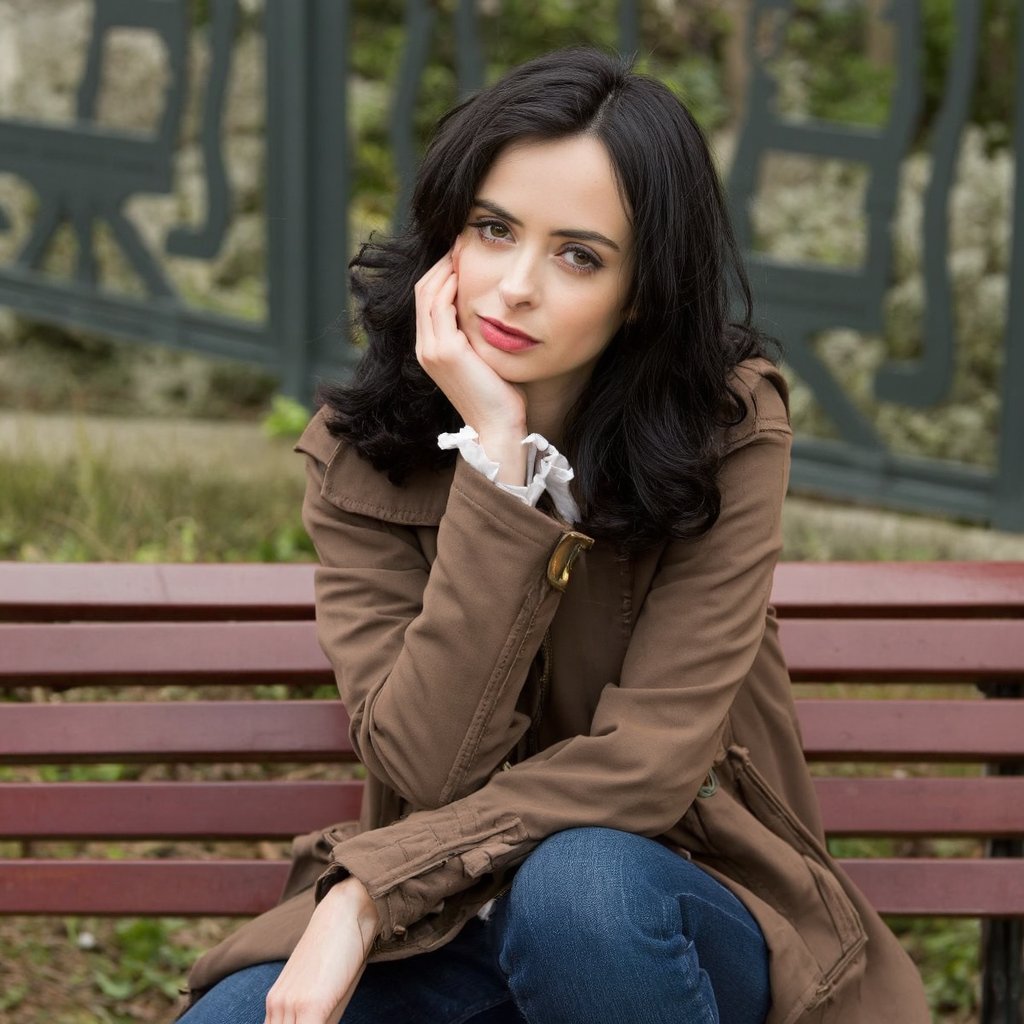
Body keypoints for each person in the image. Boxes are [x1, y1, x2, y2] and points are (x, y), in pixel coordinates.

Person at [177, 47, 929, 1024]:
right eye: (492, 230)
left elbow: (647, 763)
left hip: (674, 917)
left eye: (579, 254)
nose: (515, 285)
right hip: (448, 924)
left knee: (578, 891)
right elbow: (427, 767)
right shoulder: (360, 457)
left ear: (645, 288)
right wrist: (495, 466)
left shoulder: (725, 429)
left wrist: (366, 888)